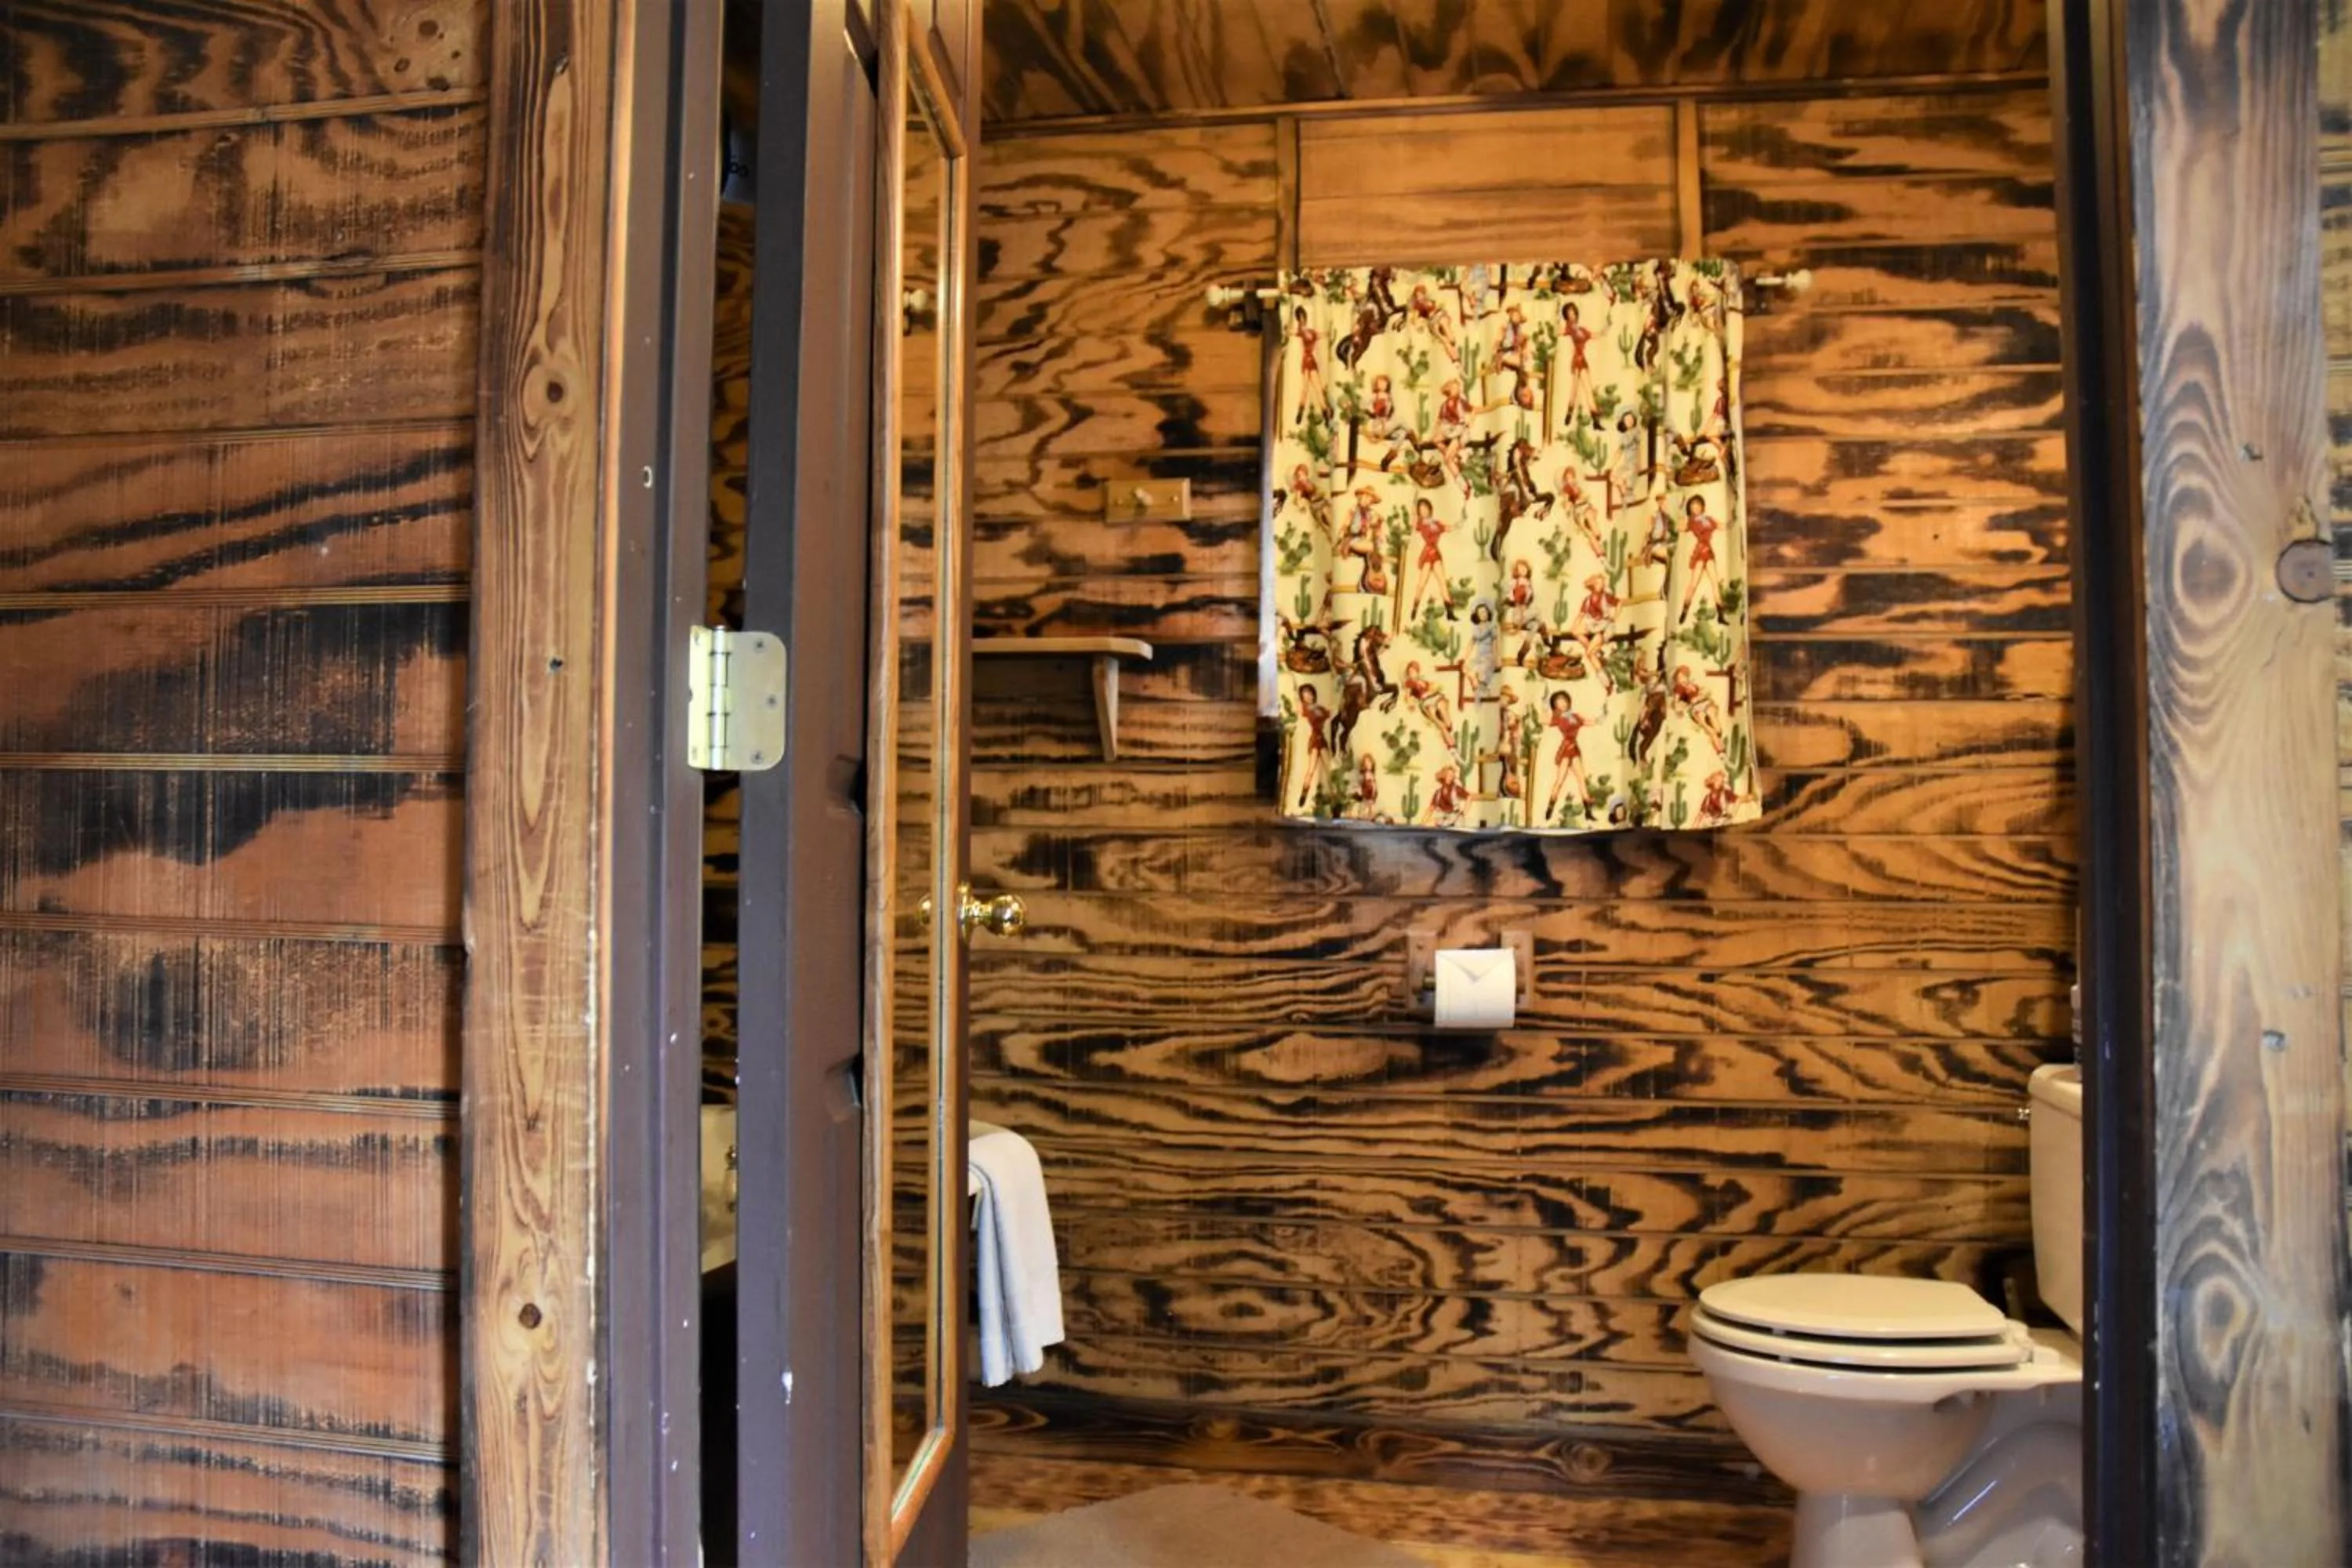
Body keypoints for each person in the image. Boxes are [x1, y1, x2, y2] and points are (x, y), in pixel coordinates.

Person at [1544, 690, 1590, 819]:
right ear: (1555, 705)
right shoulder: (1558, 717)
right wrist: (1543, 705)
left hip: (1574, 748)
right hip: (1565, 749)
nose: (1562, 703)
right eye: (1559, 701)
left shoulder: (1574, 716)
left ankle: (1588, 811)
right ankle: (1550, 809)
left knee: (1581, 779)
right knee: (1559, 780)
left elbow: (1587, 721)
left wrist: (1600, 718)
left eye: (1564, 700)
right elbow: (1544, 721)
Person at [1678, 493, 1723, 621]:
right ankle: (1684, 612)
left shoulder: (1709, 519)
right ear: (1690, 509)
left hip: (1708, 552)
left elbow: (1722, 526)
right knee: (1693, 584)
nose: (1696, 508)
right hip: (1699, 553)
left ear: (1702, 506)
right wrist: (1681, 511)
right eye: (1693, 506)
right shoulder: (1692, 521)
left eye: (1698, 505)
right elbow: (1681, 528)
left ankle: (1721, 615)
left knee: (1715, 582)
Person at [1406, 497, 1450, 618]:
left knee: (1442, 581)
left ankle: (1449, 610)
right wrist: (1413, 508)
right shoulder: (1421, 523)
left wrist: (1461, 522)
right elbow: (1413, 523)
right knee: (1421, 583)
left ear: (1430, 509)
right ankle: (1415, 608)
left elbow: (1448, 528)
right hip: (1427, 553)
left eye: (1425, 508)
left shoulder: (1436, 523)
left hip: (1435, 553)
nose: (1424, 511)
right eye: (1421, 509)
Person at [1293, 683, 1333, 809]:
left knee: (1330, 769)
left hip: (1322, 739)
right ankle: (1304, 793)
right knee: (1311, 769)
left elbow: (1330, 713)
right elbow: (1297, 707)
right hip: (1315, 739)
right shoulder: (1305, 708)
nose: (1308, 696)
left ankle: (1336, 798)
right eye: (1305, 695)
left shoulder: (1320, 708)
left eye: (1309, 693)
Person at [1292, 306, 1326, 424]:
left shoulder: (1308, 332)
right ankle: (1304, 412)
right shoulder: (1306, 331)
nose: (1302, 320)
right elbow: (1320, 335)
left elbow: (1320, 335)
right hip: (1308, 360)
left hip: (1309, 360)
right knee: (1307, 389)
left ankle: (1324, 412)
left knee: (1315, 388)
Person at [1428, 762, 1471, 827]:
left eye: (1452, 775)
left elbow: (1469, 796)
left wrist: (1464, 812)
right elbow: (1431, 808)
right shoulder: (1438, 793)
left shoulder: (1456, 789)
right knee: (1430, 824)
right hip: (1444, 819)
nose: (1450, 777)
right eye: (1448, 775)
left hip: (1456, 819)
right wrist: (1423, 822)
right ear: (1443, 776)